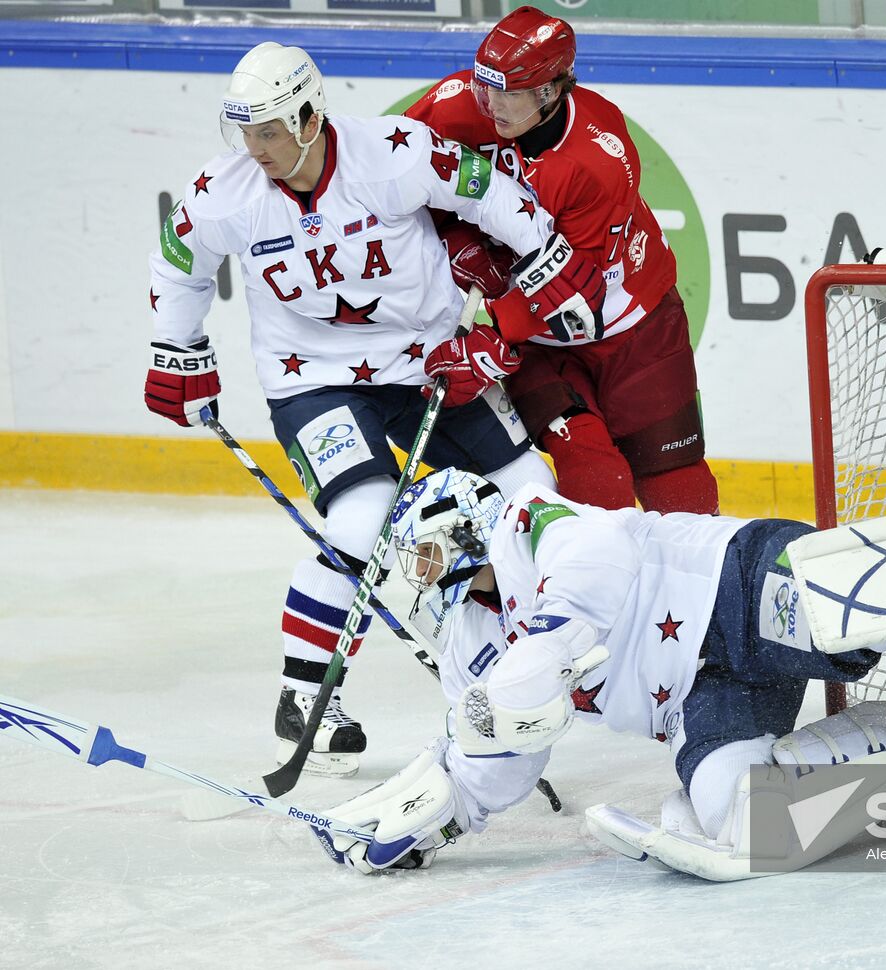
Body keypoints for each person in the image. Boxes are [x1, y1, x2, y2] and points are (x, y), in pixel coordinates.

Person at [145, 42, 606, 776]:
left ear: (307, 114)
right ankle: (305, 700)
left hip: (432, 364)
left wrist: (544, 263)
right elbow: (179, 258)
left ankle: (540, 663)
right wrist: (177, 349)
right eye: (246, 132)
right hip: (312, 383)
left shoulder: (391, 152)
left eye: (269, 130)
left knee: (534, 494)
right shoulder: (225, 193)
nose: (257, 149)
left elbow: (487, 190)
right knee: (364, 516)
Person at [312, 467, 886, 878]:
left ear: (463, 528)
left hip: (725, 584)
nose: (420, 576)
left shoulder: (524, 523)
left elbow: (600, 553)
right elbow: (497, 751)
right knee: (741, 817)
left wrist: (541, 649)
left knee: (869, 616)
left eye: (425, 555)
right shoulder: (468, 645)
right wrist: (438, 814)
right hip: (697, 697)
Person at [403, 6, 720, 515]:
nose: (491, 105)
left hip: (631, 324)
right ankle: (592, 591)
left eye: (508, 94)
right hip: (544, 349)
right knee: (596, 480)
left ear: (550, 92)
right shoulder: (459, 107)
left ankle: (702, 591)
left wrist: (493, 344)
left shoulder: (597, 157)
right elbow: (384, 173)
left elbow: (577, 298)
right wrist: (457, 239)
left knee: (676, 488)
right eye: (487, 88)